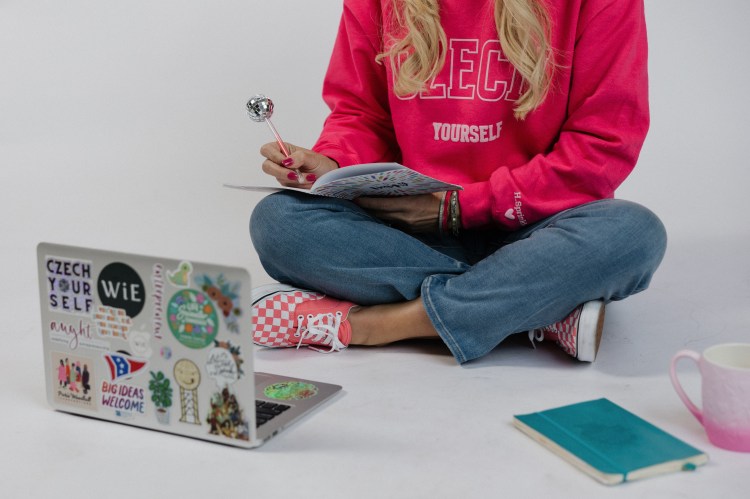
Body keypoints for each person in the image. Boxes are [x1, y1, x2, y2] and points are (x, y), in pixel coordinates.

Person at [248, 0, 667, 364]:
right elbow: (363, 114)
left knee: (633, 233)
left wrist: (457, 207)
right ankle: (538, 308)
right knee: (278, 221)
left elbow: (602, 145)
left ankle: (374, 326)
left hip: (538, 226)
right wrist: (334, 161)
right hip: (411, 232)